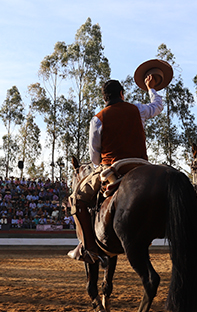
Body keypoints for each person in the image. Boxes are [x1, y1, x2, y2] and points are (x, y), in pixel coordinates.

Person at [69, 73, 164, 264]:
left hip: (112, 167)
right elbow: (158, 107)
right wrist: (150, 88)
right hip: (141, 165)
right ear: (122, 94)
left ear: (105, 98)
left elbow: (94, 156)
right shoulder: (137, 109)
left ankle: (89, 249)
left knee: (77, 199)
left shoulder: (97, 119)